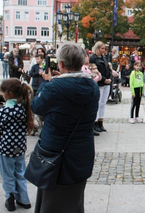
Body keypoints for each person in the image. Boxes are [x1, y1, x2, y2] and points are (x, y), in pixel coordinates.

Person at [31, 42, 99, 213]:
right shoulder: (92, 86)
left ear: (61, 64)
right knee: (74, 201)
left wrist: (47, 83)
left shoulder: (53, 87)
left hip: (56, 155)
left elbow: (36, 107)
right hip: (81, 153)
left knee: (52, 202)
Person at [0, 78, 33, 211]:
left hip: (6, 148)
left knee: (8, 174)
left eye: (3, 92)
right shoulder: (24, 108)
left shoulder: (5, 111)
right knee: (20, 172)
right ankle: (24, 199)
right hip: (19, 147)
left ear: (9, 94)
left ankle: (10, 198)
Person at [89, 41, 112, 134]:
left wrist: (110, 78)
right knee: (97, 103)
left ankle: (100, 122)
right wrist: (103, 79)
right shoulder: (93, 58)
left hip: (106, 83)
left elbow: (108, 69)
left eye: (104, 48)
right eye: (102, 48)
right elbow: (94, 71)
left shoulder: (104, 57)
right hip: (99, 83)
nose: (104, 50)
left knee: (103, 103)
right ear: (97, 48)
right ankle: (95, 123)